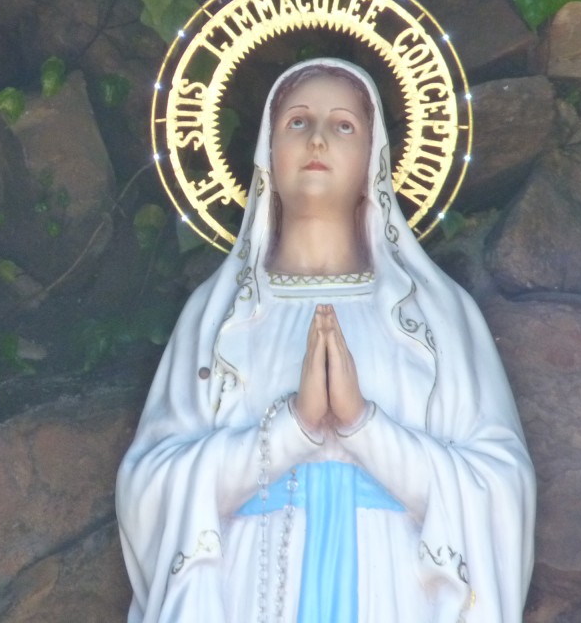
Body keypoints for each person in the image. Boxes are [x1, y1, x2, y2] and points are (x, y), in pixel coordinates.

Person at [116, 58, 536, 622]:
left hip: (393, 590)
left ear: (373, 160)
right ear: (267, 152)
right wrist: (290, 429)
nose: (317, 138)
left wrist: (366, 426)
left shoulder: (432, 316)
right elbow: (149, 486)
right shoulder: (219, 317)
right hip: (252, 590)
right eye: (296, 122)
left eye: (343, 125)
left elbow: (501, 488)